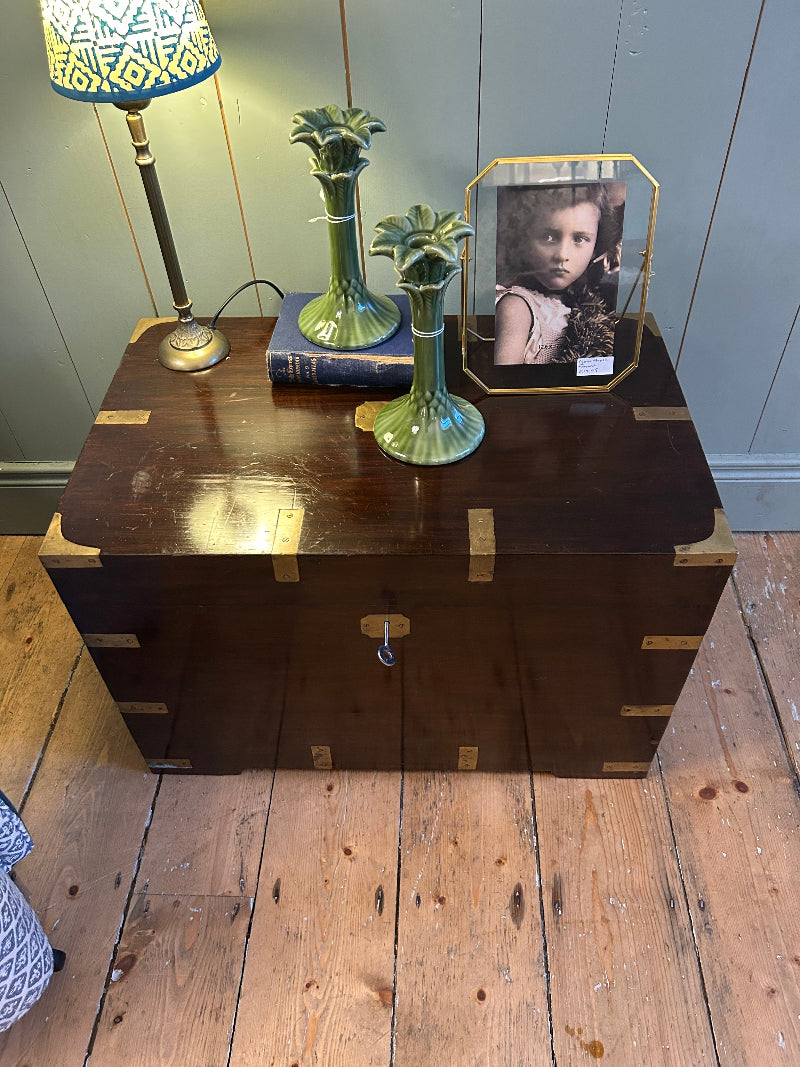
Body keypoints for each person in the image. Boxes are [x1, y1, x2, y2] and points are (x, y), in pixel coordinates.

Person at [494, 183, 622, 365]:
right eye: (548, 237)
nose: (562, 255)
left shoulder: (587, 302)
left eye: (579, 239)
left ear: (595, 247)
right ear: (524, 239)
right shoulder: (517, 306)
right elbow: (504, 380)